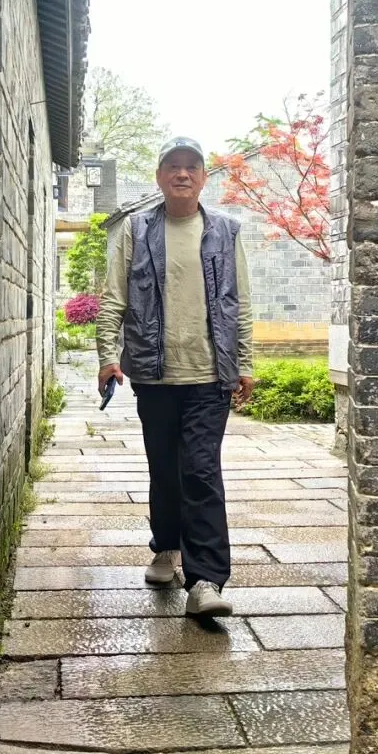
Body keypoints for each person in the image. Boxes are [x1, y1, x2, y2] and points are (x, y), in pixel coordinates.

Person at [95, 137, 255, 620]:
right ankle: (166, 546)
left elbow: (240, 303)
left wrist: (245, 362)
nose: (182, 173)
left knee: (201, 471)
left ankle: (205, 580)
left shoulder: (225, 231)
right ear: (160, 176)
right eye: (173, 166)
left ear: (203, 177)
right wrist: (107, 356)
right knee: (165, 469)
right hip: (153, 373)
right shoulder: (136, 229)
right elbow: (114, 297)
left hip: (210, 375)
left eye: (191, 167)